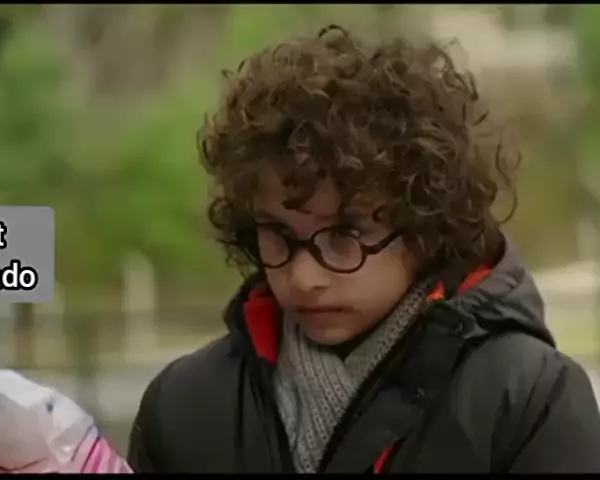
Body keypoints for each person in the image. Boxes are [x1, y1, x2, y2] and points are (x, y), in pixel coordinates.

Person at [126, 25, 600, 473]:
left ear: (425, 227)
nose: (304, 277)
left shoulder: (529, 403)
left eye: (345, 235)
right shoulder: (182, 408)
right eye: (278, 235)